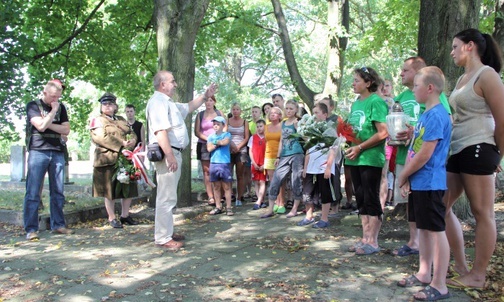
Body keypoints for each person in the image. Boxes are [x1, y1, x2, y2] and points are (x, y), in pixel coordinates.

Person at [444, 28, 504, 290]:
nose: (452, 52)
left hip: (480, 147)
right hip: (458, 149)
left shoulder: (487, 74)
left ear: (470, 46)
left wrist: (498, 153)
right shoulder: (461, 79)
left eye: (455, 46)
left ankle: (478, 276)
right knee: (440, 205)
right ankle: (460, 267)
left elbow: (502, 119)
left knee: (482, 213)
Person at [396, 66, 452, 301]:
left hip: (430, 182)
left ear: (430, 88)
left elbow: (425, 154)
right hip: (420, 182)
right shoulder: (425, 115)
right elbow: (416, 147)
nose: (413, 90)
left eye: (416, 86)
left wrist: (403, 175)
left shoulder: (438, 115)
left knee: (436, 231)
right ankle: (423, 273)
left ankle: (440, 284)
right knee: (424, 230)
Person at [146, 70, 217, 251]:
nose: (175, 84)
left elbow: (188, 107)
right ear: (163, 84)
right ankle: (162, 238)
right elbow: (160, 131)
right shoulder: (157, 103)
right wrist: (169, 155)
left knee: (169, 196)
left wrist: (205, 96)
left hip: (174, 153)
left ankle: (166, 232)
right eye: (172, 81)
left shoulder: (168, 103)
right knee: (166, 197)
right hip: (168, 154)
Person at [345, 67, 388, 255]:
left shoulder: (376, 101)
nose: (353, 84)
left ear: (368, 83)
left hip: (369, 158)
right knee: (360, 198)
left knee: (371, 198)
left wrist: (360, 147)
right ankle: (365, 238)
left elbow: (383, 132)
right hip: (354, 158)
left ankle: (373, 241)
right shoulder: (356, 104)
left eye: (356, 80)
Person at [24, 79, 74, 240]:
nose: (56, 100)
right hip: (38, 151)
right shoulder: (33, 106)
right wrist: (52, 114)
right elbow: (40, 127)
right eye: (53, 96)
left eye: (58, 97)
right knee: (33, 192)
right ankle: (31, 229)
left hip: (57, 151)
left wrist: (48, 123)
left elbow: (66, 130)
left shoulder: (62, 107)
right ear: (45, 93)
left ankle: (58, 225)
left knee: (58, 192)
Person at [90, 93, 139, 229]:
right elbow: (100, 138)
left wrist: (133, 140)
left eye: (110, 104)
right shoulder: (97, 120)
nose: (108, 106)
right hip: (107, 159)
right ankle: (111, 217)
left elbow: (132, 131)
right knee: (109, 190)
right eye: (105, 104)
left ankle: (125, 216)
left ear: (115, 106)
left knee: (128, 188)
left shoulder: (122, 119)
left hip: (125, 158)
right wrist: (121, 144)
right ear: (101, 106)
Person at [261, 100, 304, 219]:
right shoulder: (283, 123)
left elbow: (304, 137)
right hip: (284, 155)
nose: (289, 111)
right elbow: (281, 141)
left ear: (296, 110)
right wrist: (278, 156)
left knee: (296, 180)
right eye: (287, 108)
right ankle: (270, 209)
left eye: (291, 108)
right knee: (275, 180)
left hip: (296, 154)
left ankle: (295, 209)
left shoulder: (297, 122)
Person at [298, 103, 337, 228]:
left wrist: (328, 167)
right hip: (311, 167)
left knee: (325, 193)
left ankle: (324, 219)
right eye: (313, 113)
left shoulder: (330, 130)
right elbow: (309, 149)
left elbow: (333, 150)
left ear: (325, 115)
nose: (314, 116)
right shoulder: (310, 130)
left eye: (317, 113)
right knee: (307, 192)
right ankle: (309, 216)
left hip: (323, 167)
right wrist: (305, 167)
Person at [194, 96, 224, 206]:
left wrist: (218, 140)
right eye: (206, 100)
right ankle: (210, 196)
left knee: (218, 170)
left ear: (214, 102)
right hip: (204, 145)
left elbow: (225, 128)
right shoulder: (200, 115)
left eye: (211, 100)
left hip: (218, 145)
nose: (208, 102)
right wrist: (209, 140)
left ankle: (219, 196)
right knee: (207, 171)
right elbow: (197, 132)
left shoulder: (219, 113)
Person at [317, 96, 343, 217]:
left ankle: (335, 206)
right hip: (322, 155)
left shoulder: (337, 119)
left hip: (335, 152)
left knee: (335, 178)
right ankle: (326, 206)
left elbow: (340, 135)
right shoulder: (318, 121)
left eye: (325, 105)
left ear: (331, 107)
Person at [206, 116, 234, 216]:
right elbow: (209, 149)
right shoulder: (210, 136)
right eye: (214, 124)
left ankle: (229, 207)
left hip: (225, 163)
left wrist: (215, 143)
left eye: (218, 124)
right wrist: (218, 143)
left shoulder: (227, 134)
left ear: (223, 125)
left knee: (226, 186)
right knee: (216, 186)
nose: (216, 126)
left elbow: (225, 142)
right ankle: (218, 207)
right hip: (214, 163)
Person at [228, 103, 250, 206]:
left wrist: (238, 147)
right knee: (228, 174)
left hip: (241, 150)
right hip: (229, 149)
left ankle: (239, 197)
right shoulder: (227, 121)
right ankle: (229, 196)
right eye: (234, 109)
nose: (235, 111)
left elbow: (246, 137)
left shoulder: (245, 122)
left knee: (240, 174)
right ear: (231, 111)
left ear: (240, 111)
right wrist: (232, 146)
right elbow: (225, 134)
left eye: (237, 109)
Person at [263, 106, 285, 212]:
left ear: (280, 115)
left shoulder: (283, 125)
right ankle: (275, 202)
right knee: (272, 181)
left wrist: (279, 156)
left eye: (275, 112)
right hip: (268, 156)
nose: (272, 114)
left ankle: (281, 203)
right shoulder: (266, 127)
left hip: (280, 156)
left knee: (280, 180)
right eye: (271, 113)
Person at [248, 119, 268, 210]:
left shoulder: (267, 137)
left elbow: (269, 151)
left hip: (264, 163)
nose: (259, 128)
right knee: (256, 182)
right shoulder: (253, 137)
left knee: (262, 182)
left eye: (261, 126)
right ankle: (261, 200)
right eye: (258, 126)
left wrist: (265, 164)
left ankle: (259, 201)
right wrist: (254, 162)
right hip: (254, 163)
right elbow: (250, 151)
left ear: (265, 127)